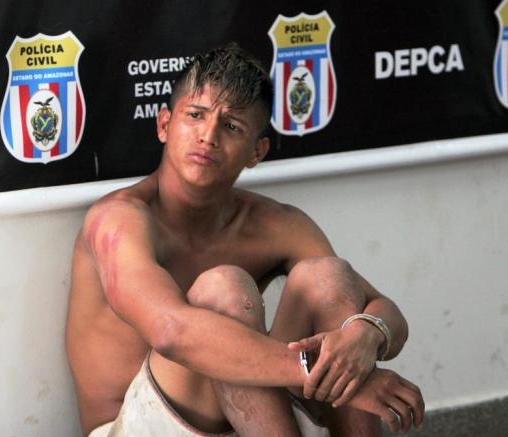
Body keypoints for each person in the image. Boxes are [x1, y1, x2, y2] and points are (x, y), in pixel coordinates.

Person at [65, 43, 424, 437]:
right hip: (136, 427)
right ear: (164, 124)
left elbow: (387, 313)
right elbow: (170, 330)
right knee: (224, 290)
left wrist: (367, 336)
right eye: (195, 115)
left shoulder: (276, 224)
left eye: (231, 126)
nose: (208, 136)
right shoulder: (118, 219)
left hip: (245, 419)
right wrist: (323, 372)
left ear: (257, 151)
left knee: (327, 276)